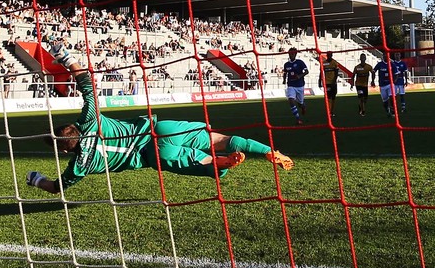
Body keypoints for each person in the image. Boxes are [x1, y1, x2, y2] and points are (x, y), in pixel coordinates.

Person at [25, 57, 293, 194]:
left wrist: (36, 179)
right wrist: (66, 57)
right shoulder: (90, 121)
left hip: (153, 155)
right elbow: (87, 84)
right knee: (219, 139)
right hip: (161, 129)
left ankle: (218, 165)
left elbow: (56, 188)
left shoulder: (79, 165)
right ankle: (269, 151)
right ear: (74, 127)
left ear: (64, 150)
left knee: (206, 166)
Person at [281, 47, 309, 124]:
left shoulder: (300, 62)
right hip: (291, 85)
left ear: (295, 54)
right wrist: (284, 80)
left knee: (300, 104)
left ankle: (303, 107)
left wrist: (300, 76)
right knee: (291, 100)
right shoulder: (286, 64)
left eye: (292, 54)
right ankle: (298, 119)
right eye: (290, 54)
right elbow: (285, 73)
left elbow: (306, 71)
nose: (291, 55)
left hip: (300, 85)